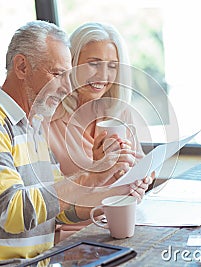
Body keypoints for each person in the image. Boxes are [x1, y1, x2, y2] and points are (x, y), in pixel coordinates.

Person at [0, 20, 152, 266]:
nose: (65, 86)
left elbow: (61, 211)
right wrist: (89, 176)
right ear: (22, 66)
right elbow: (14, 213)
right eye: (56, 74)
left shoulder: (32, 127)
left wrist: (115, 192)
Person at [43, 22, 148, 242]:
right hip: (73, 236)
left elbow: (141, 167)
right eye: (93, 64)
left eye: (112, 66)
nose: (103, 75)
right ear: (71, 64)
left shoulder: (120, 113)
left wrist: (140, 180)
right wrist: (99, 174)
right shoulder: (48, 120)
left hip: (123, 225)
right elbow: (51, 203)